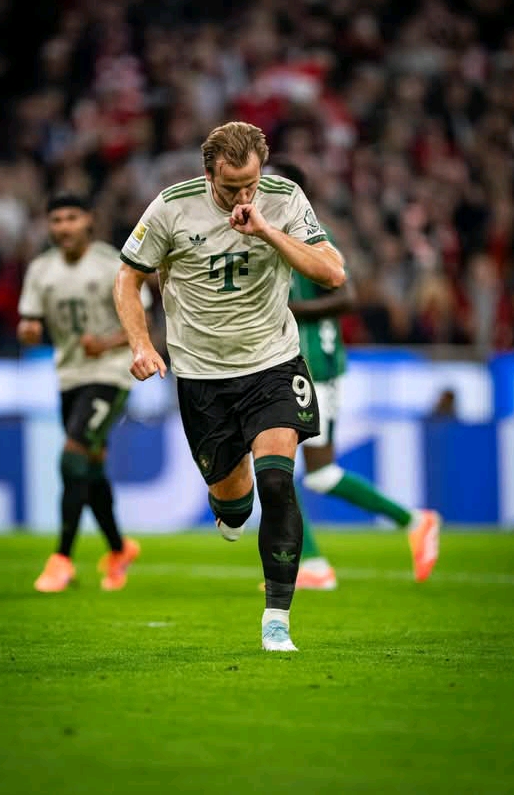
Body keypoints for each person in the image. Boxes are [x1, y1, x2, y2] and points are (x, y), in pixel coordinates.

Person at [114, 121, 346, 651]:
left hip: (273, 363)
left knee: (278, 483)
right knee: (235, 504)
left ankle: (277, 620)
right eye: (231, 187)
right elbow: (127, 275)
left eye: (250, 185)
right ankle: (229, 509)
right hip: (203, 375)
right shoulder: (171, 208)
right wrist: (141, 344)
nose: (243, 196)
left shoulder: (283, 199)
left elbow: (333, 273)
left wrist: (266, 231)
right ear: (207, 175)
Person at [265, 161, 441, 591]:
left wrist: (285, 311)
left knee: (287, 468)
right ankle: (408, 524)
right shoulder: (271, 232)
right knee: (303, 470)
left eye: (270, 182)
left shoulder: (312, 233)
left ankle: (320, 560)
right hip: (296, 365)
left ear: (292, 192)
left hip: (315, 366)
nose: (260, 189)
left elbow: (347, 297)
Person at [17, 192, 150, 593]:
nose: (64, 227)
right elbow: (29, 321)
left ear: (89, 220)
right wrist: (28, 330)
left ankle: (61, 560)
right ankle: (119, 549)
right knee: (88, 469)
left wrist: (107, 344)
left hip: (111, 375)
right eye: (56, 220)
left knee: (72, 457)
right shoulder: (41, 269)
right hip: (69, 377)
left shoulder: (112, 263)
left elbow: (142, 320)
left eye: (72, 218)